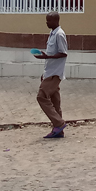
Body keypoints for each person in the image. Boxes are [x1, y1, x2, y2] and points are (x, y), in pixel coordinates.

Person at [33, 11, 68, 139]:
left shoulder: (59, 34)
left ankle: (59, 123)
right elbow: (51, 54)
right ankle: (59, 131)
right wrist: (45, 70)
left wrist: (47, 57)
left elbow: (63, 53)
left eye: (49, 20)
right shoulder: (52, 33)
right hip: (49, 72)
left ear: (56, 21)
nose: (47, 23)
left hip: (55, 73)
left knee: (41, 96)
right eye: (46, 20)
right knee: (55, 101)